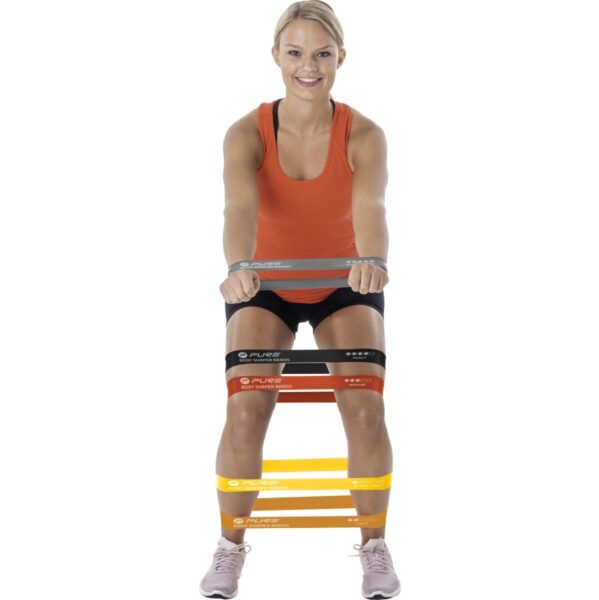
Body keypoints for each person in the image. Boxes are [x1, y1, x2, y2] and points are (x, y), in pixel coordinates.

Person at [200, 2, 400, 598]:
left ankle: (374, 546)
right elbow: (239, 207)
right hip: (264, 283)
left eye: (321, 54)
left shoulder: (364, 134)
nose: (307, 66)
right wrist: (238, 268)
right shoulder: (246, 133)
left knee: (364, 407)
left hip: (344, 281)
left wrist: (373, 259)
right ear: (276, 56)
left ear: (340, 58)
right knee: (245, 410)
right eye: (295, 53)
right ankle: (229, 547)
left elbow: (371, 206)